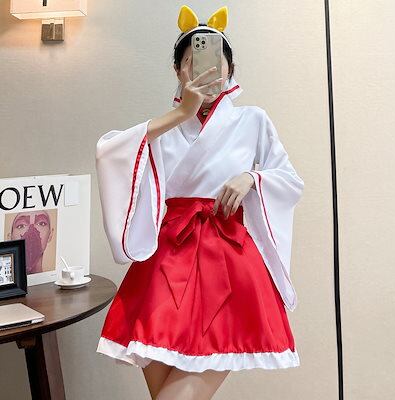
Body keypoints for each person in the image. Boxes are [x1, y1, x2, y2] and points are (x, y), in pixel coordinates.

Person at [95, 5, 305, 400]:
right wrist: (180, 113)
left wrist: (252, 178)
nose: (204, 69)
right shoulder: (165, 127)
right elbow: (110, 152)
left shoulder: (253, 120)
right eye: (192, 62)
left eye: (214, 60)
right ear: (178, 71)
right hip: (165, 260)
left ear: (230, 68)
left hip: (229, 257)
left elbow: (290, 180)